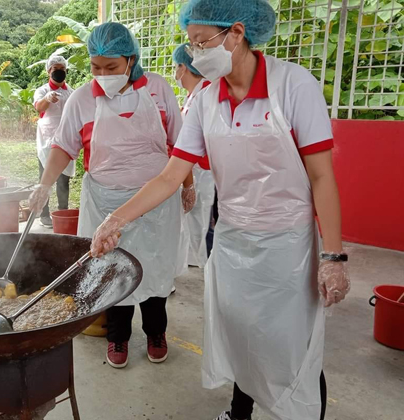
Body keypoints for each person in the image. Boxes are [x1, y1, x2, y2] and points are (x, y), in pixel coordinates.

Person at [90, 1, 351, 419]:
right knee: (240, 336)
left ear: (236, 32)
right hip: (232, 242)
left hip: (288, 245)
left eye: (202, 42)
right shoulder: (207, 100)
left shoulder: (292, 85)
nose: (195, 54)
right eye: (190, 45)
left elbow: (322, 177)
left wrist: (333, 256)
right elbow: (170, 175)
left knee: (292, 347)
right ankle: (240, 413)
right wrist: (116, 218)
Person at [28, 22, 192, 369]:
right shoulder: (82, 98)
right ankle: (117, 337)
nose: (103, 75)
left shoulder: (159, 90)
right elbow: (63, 146)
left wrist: (188, 186)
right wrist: (44, 184)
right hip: (104, 200)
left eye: (112, 67)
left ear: (131, 60)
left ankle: (155, 332)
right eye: (96, 67)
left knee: (157, 268)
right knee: (109, 269)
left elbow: (181, 146)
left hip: (156, 203)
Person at [173, 43, 215, 272]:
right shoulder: (193, 95)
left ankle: (200, 262)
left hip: (203, 170)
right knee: (192, 220)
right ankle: (193, 260)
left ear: (184, 67)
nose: (176, 72)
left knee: (199, 219)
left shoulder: (207, 93)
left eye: (177, 66)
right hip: (191, 169)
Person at [33, 55, 75, 228]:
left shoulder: (71, 92)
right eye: (55, 69)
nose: (59, 72)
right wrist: (47, 99)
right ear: (49, 71)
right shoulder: (42, 91)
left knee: (63, 178)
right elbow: (38, 107)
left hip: (65, 138)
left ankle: (62, 212)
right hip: (47, 139)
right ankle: (44, 214)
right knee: (45, 176)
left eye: (62, 69)